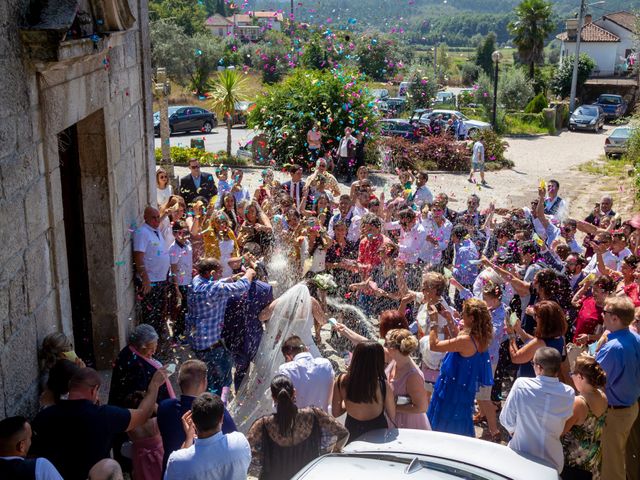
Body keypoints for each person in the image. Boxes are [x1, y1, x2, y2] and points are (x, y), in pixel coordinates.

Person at [30, 367, 167, 480]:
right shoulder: (105, 415)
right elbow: (143, 415)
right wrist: (154, 385)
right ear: (93, 390)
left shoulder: (44, 416)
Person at [230, 284, 328, 431]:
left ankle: (278, 412)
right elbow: (323, 321)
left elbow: (262, 315)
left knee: (275, 382)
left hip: (283, 350)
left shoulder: (282, 301)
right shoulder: (312, 301)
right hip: (305, 349)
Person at [247, 375, 349, 480]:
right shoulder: (313, 415)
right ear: (294, 392)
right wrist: (333, 452)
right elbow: (343, 433)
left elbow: (245, 449)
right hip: (309, 476)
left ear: (273, 397)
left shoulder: (263, 424)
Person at [187, 257, 255, 395]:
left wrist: (231, 278)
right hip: (210, 346)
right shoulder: (214, 289)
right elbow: (240, 288)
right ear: (211, 273)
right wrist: (249, 273)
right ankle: (216, 405)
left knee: (207, 377)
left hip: (198, 342)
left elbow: (216, 284)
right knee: (222, 380)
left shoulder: (196, 281)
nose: (221, 274)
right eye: (220, 272)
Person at [500, 347, 575, 473]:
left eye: (533, 364)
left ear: (539, 368)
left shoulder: (521, 385)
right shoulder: (569, 393)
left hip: (521, 456)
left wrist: (517, 432)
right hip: (553, 461)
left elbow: (506, 420)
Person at [426, 298, 493, 436]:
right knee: (458, 421)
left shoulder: (466, 340)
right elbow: (459, 342)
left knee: (444, 422)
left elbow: (434, 346)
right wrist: (449, 319)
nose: (461, 315)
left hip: (452, 388)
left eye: (464, 313)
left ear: (472, 318)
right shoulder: (481, 337)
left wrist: (434, 322)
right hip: (463, 388)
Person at [157, 360, 237, 471]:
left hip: (170, 471)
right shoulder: (216, 411)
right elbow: (234, 442)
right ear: (204, 382)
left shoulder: (164, 407)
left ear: (179, 381)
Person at [595, 296, 640, 480]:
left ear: (615, 319)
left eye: (605, 312)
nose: (602, 315)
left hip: (615, 414)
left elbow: (594, 380)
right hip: (631, 408)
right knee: (623, 458)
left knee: (611, 468)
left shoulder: (613, 348)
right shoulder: (635, 338)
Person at [165, 393, 250, 480]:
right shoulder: (240, 441)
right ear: (222, 419)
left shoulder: (176, 461)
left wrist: (189, 438)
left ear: (193, 421)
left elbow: (180, 466)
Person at [332, 342, 396, 443]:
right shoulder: (382, 385)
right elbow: (392, 415)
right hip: (377, 432)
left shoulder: (341, 381)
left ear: (356, 357)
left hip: (352, 431)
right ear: (378, 361)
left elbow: (335, 413)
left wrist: (348, 402)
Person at [222, 279, 274, 391]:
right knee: (262, 368)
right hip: (255, 336)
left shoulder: (228, 287)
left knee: (241, 371)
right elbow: (267, 315)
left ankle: (241, 396)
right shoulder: (265, 288)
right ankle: (258, 393)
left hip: (234, 337)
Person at [562, 355, 608, 480]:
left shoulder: (579, 403)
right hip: (593, 463)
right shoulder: (603, 396)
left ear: (580, 376)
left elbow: (560, 431)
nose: (571, 377)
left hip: (575, 466)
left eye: (572, 373)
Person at [108, 324, 174, 408]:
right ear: (140, 347)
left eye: (155, 346)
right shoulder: (133, 364)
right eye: (150, 349)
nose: (153, 352)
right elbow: (140, 397)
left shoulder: (133, 352)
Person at [507, 300, 568, 379]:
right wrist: (518, 329)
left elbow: (516, 358)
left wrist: (511, 335)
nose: (534, 318)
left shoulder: (539, 343)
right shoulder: (560, 337)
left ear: (544, 321)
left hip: (530, 383)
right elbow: (531, 342)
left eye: (536, 315)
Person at [133, 206, 171, 334]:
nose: (156, 220)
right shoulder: (142, 232)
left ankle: (156, 343)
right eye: (153, 218)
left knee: (159, 313)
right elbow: (138, 257)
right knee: (150, 315)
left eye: (158, 217)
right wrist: (145, 279)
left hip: (160, 279)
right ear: (145, 218)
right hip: (150, 282)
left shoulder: (155, 230)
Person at [384, 329, 430, 430]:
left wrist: (391, 407)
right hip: (392, 417)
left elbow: (422, 407)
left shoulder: (413, 376)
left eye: (386, 344)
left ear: (394, 349)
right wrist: (346, 331)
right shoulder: (395, 360)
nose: (384, 347)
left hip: (408, 424)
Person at [277, 336, 335, 412]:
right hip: (323, 419)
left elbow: (281, 404)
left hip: (299, 420)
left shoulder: (285, 369)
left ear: (288, 357)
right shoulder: (326, 364)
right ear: (307, 349)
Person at [169, 220, 192, 341]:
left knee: (187, 309)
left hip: (188, 281)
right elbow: (173, 270)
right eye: (182, 233)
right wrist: (176, 289)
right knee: (181, 311)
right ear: (175, 234)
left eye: (186, 232)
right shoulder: (174, 249)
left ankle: (183, 332)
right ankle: (177, 335)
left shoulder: (188, 243)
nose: (185, 235)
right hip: (180, 283)